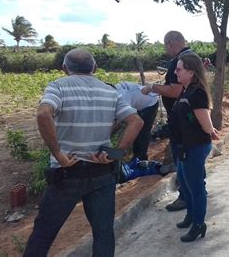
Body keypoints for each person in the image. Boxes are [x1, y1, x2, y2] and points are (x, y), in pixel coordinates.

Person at [23, 49, 142, 257]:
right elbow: (136, 121)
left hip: (67, 174)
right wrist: (115, 153)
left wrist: (59, 153)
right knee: (103, 234)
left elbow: (43, 114)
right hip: (102, 174)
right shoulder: (109, 91)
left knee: (42, 236)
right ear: (94, 68)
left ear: (64, 68)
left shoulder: (58, 86)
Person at [169, 52, 219, 242]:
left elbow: (205, 125)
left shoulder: (196, 93)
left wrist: (210, 129)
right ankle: (191, 215)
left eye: (179, 69)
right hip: (186, 146)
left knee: (195, 187)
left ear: (191, 72)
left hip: (195, 147)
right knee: (185, 183)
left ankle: (199, 224)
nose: (176, 72)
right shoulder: (187, 90)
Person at [141, 31, 192, 212]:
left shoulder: (179, 62)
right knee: (191, 159)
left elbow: (176, 91)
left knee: (183, 160)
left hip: (181, 121)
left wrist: (152, 87)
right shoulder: (191, 56)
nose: (166, 49)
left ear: (170, 43)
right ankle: (197, 191)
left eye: (165, 45)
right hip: (189, 118)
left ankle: (186, 197)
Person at [115, 82, 159, 161]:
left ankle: (141, 159)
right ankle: (135, 156)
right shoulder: (115, 89)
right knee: (136, 131)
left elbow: (121, 121)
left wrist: (109, 134)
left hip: (150, 104)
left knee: (142, 131)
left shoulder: (123, 97)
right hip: (140, 102)